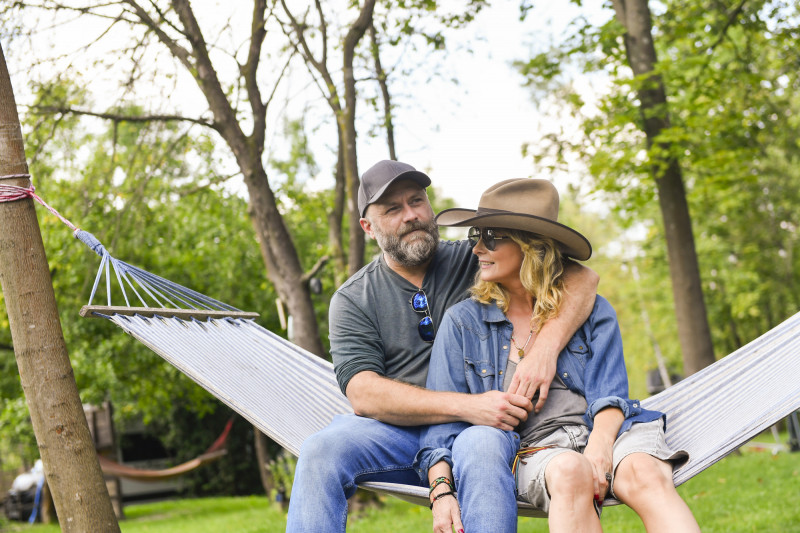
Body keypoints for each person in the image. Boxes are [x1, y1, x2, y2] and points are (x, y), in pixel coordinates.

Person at [286, 161, 599, 532]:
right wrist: (468, 406)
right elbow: (363, 394)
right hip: (399, 435)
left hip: (484, 431)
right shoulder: (354, 298)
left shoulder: (476, 258)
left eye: (417, 201)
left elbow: (582, 277)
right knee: (320, 450)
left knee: (480, 444)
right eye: (393, 209)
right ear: (368, 227)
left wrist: (545, 348)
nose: (411, 215)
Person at [417, 178, 700, 533]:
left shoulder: (592, 310)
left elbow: (610, 394)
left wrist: (600, 446)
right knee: (570, 471)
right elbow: (442, 426)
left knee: (645, 474)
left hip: (612, 431)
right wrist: (441, 491)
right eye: (476, 236)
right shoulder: (463, 323)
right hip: (539, 450)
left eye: (490, 236)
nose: (476, 249)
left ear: (531, 245)